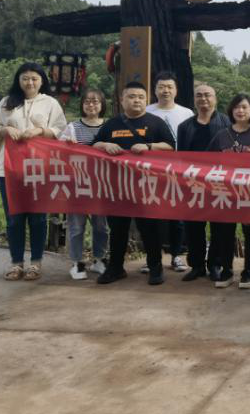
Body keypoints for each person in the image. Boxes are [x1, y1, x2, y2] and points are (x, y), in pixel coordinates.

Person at [0, 62, 68, 282]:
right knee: (14, 218)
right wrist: (4, 129)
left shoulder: (50, 103)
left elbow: (62, 130)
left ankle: (36, 262)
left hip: (40, 168)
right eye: (25, 78)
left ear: (42, 81)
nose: (30, 82)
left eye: (34, 78)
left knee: (38, 217)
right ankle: (16, 262)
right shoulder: (6, 103)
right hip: (9, 169)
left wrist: (40, 130)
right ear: (18, 80)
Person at [92, 82, 175, 285]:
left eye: (140, 97)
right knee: (118, 229)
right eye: (131, 96)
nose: (136, 100)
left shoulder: (156, 122)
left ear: (146, 100)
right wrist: (106, 145)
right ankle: (116, 268)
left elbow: (171, 147)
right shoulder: (112, 124)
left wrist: (149, 146)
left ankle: (155, 268)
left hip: (147, 186)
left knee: (150, 228)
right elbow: (94, 144)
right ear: (122, 100)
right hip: (118, 186)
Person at [177, 84, 233, 285]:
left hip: (219, 182)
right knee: (194, 226)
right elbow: (181, 157)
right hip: (193, 182)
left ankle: (215, 264)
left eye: (207, 95)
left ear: (215, 99)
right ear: (194, 100)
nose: (203, 99)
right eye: (199, 95)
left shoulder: (226, 123)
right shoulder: (184, 126)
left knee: (219, 226)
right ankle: (197, 265)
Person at [207, 93, 250, 289]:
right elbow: (207, 161)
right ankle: (227, 270)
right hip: (226, 191)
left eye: (245, 107)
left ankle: (248, 271)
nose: (240, 111)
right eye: (237, 107)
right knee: (225, 231)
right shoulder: (221, 135)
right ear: (231, 111)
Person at [145, 71, 193, 274]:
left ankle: (176, 256)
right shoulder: (146, 111)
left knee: (178, 216)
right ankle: (152, 258)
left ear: (176, 90)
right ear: (155, 90)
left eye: (169, 87)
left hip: (178, 171)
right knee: (151, 216)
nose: (165, 90)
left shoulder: (186, 113)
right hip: (150, 171)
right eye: (161, 87)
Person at [58, 87, 108, 281]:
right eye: (87, 101)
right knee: (76, 226)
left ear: (102, 104)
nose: (91, 105)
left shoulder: (109, 126)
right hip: (77, 184)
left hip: (102, 185)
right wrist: (66, 145)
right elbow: (58, 153)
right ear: (82, 105)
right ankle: (76, 262)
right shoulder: (72, 127)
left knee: (101, 226)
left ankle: (99, 259)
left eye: (95, 101)